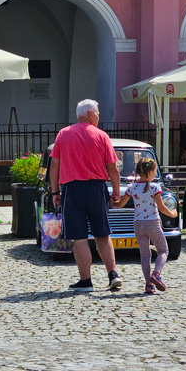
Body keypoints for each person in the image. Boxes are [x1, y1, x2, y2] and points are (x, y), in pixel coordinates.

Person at [50, 99, 123, 292]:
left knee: (79, 237)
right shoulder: (101, 136)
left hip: (72, 189)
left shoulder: (63, 134)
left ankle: (86, 280)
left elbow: (55, 165)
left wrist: (55, 191)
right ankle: (112, 274)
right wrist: (116, 191)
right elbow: (113, 168)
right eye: (97, 113)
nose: (98, 116)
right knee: (102, 234)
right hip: (96, 188)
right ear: (90, 114)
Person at [113, 158, 177, 295]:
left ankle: (148, 284)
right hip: (153, 223)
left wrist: (114, 201)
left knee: (145, 255)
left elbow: (120, 204)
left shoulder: (132, 187)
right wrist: (172, 214)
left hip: (138, 224)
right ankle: (157, 274)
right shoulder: (155, 187)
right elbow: (161, 207)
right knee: (163, 250)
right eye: (154, 172)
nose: (155, 174)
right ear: (150, 173)